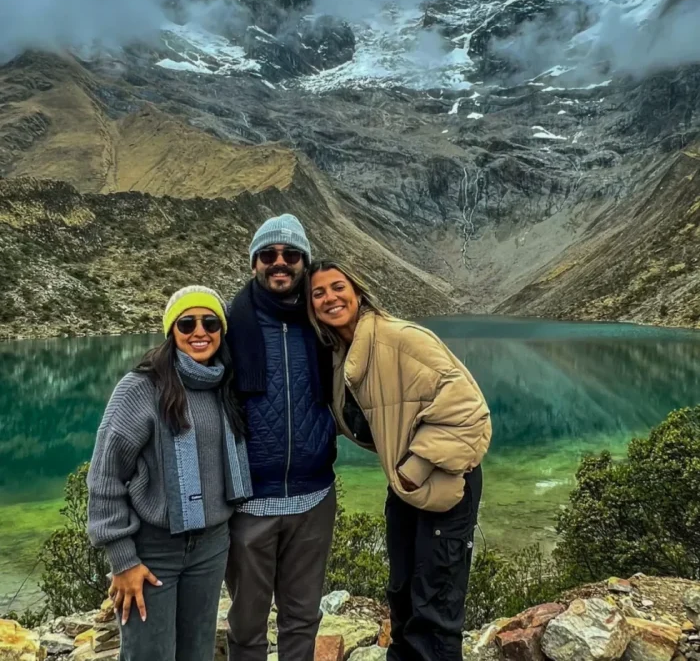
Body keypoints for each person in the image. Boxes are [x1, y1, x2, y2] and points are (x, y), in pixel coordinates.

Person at [308, 260, 492, 661]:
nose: (330, 298)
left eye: (337, 287)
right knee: (403, 593)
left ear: (357, 292)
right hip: (406, 485)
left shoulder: (400, 339)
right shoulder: (342, 354)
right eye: (318, 293)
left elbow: (470, 413)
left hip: (444, 482)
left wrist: (414, 468)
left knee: (435, 603)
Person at [87, 286, 252, 661]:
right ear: (171, 331)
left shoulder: (224, 387)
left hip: (211, 547)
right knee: (149, 654)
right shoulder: (140, 389)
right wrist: (123, 560)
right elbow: (105, 478)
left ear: (221, 331)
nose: (200, 331)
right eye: (187, 323)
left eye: (210, 322)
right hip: (154, 550)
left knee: (197, 652)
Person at [225, 214, 337, 661]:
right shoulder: (228, 324)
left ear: (303, 263)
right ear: (254, 262)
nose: (280, 263)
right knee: (247, 624)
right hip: (249, 502)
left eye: (291, 255)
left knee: (302, 618)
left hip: (314, 498)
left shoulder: (324, 323)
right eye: (268, 255)